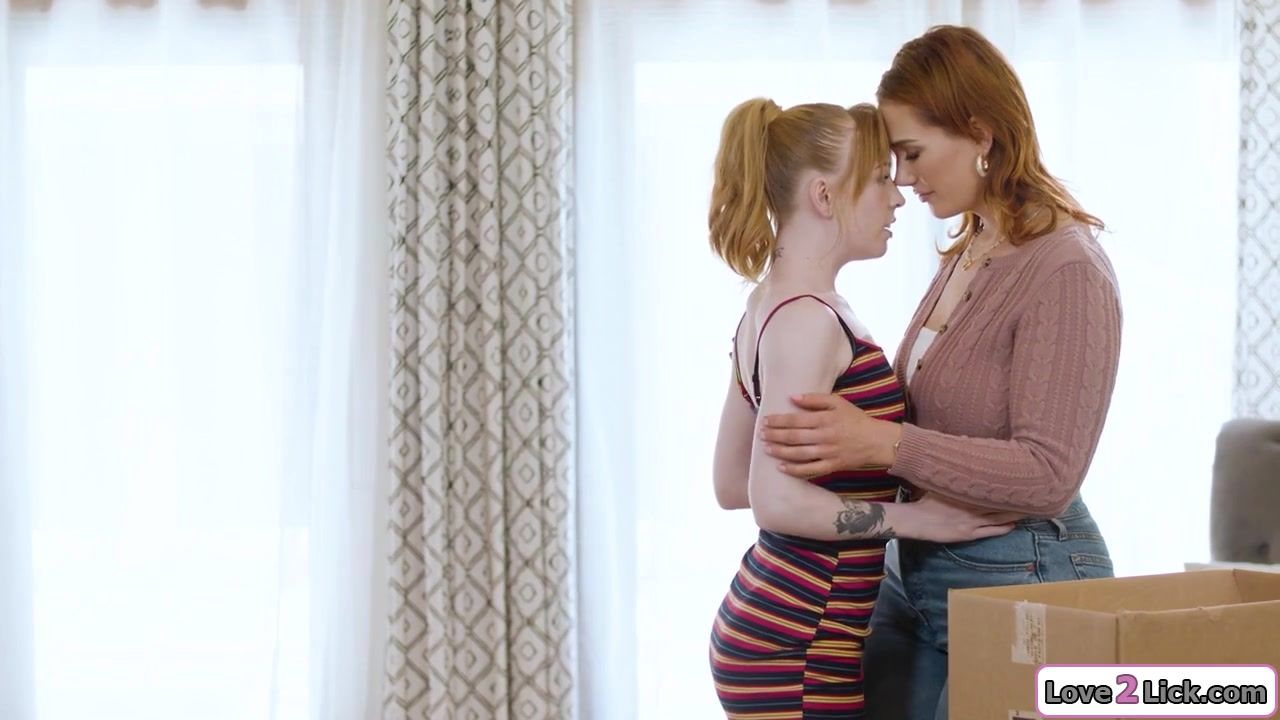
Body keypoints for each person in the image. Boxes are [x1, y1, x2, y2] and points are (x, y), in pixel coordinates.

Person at [758, 26, 1123, 720]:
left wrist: (881, 444)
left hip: (1026, 575)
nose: (901, 177)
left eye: (913, 153)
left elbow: (1050, 473)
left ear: (981, 133)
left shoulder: (1066, 267)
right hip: (919, 572)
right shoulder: (972, 245)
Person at [705, 97, 1022, 720]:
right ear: (824, 196)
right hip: (795, 643)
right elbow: (772, 501)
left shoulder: (771, 306)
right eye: (879, 178)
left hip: (779, 626)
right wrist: (919, 520)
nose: (898, 196)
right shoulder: (806, 322)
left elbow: (730, 482)